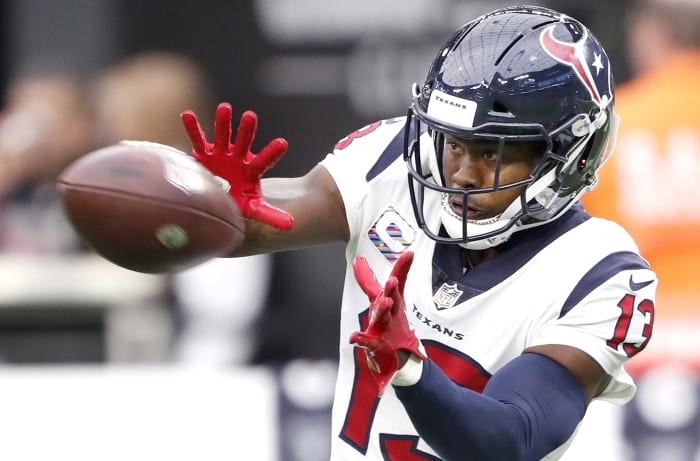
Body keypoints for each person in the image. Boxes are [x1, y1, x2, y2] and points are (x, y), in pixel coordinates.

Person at [179, 6, 656, 460]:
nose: (462, 174)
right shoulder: (397, 163)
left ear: (572, 154)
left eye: (492, 152)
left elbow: (512, 440)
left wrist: (411, 370)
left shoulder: (601, 273)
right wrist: (210, 207)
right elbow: (268, 217)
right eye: (454, 143)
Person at [92, 51, 273, 365]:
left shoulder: (204, 184)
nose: (104, 130)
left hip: (204, 366)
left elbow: (226, 307)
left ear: (153, 116)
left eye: (116, 115)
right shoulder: (128, 180)